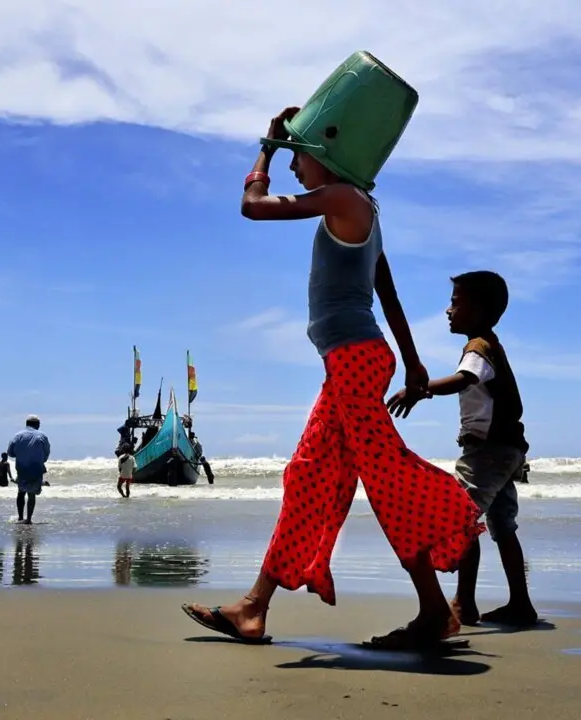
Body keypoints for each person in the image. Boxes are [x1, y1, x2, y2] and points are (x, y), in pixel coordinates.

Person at [180, 107, 483, 650]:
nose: (296, 166)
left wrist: (266, 149)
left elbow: (251, 208)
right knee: (309, 477)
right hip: (352, 361)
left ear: (326, 154)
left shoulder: (343, 199)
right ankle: (253, 608)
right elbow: (384, 287)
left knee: (388, 480)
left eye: (301, 154)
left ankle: (436, 608)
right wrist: (411, 361)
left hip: (354, 362)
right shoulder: (358, 209)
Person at [388, 271, 537, 629]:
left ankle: (463, 602)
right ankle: (521, 604)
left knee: (462, 519)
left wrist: (419, 389)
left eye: (456, 302)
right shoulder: (489, 345)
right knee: (503, 528)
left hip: (487, 453)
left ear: (480, 309)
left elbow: (464, 380)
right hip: (505, 450)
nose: (447, 310)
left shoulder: (478, 347)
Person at [7, 415, 51, 524]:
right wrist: (41, 459)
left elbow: (10, 452)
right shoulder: (42, 436)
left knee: (21, 492)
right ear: (37, 424)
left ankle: (20, 517)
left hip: (22, 467)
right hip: (36, 467)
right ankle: (29, 519)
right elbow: (46, 453)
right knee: (31, 494)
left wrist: (21, 454)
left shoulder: (17, 436)